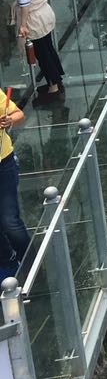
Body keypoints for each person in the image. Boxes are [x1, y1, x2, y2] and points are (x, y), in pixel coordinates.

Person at [4, 0, 65, 104]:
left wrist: (23, 26)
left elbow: (24, 4)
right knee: (48, 48)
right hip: (45, 11)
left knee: (42, 54)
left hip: (32, 18)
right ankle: (57, 80)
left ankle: (53, 88)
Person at [0, 87, 29, 278]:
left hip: (3, 164)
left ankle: (29, 262)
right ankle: (8, 265)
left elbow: (18, 114)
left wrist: (9, 120)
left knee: (9, 220)